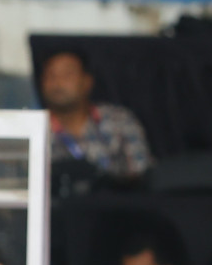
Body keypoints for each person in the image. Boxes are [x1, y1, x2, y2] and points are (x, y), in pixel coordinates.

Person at [39, 50, 152, 182]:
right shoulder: (36, 129)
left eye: (67, 74)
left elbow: (143, 173)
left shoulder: (119, 119)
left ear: (87, 81)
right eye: (50, 75)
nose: (57, 83)